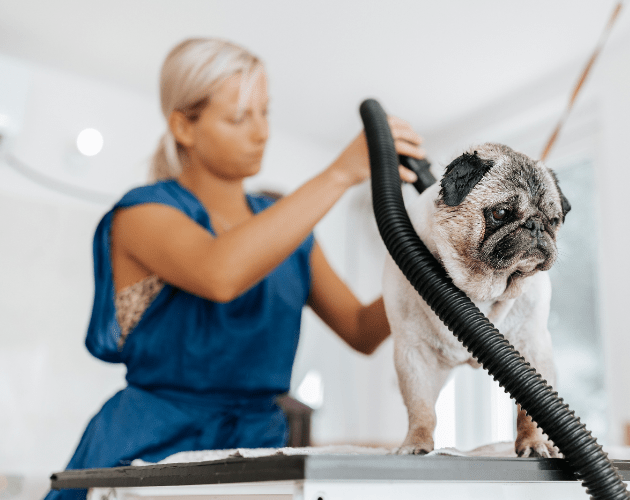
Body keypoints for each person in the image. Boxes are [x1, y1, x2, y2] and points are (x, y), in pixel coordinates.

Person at [46, 38, 425, 500]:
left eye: (265, 112)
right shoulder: (142, 215)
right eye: (239, 117)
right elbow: (220, 274)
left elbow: (361, 329)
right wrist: (339, 173)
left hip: (256, 451)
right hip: (148, 450)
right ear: (184, 126)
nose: (261, 132)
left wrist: (435, 267)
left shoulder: (289, 230)